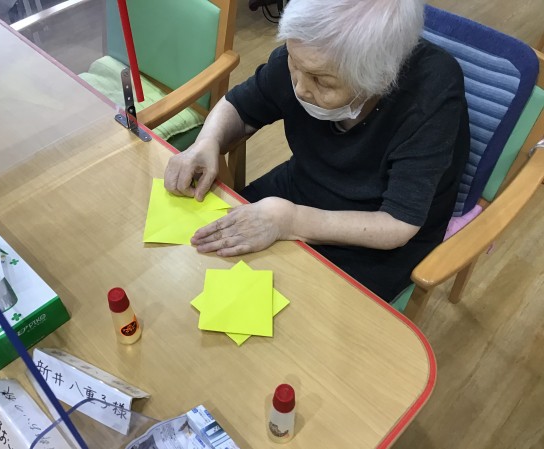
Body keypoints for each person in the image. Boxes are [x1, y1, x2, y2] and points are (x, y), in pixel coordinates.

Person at [164, 0, 470, 302]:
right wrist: (206, 142)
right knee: (205, 270)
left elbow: (399, 224)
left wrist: (292, 221)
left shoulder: (431, 93)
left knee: (293, 319)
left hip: (374, 239)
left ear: (380, 79)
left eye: (322, 81)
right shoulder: (309, 53)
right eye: (293, 62)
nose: (299, 87)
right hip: (299, 190)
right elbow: (240, 106)